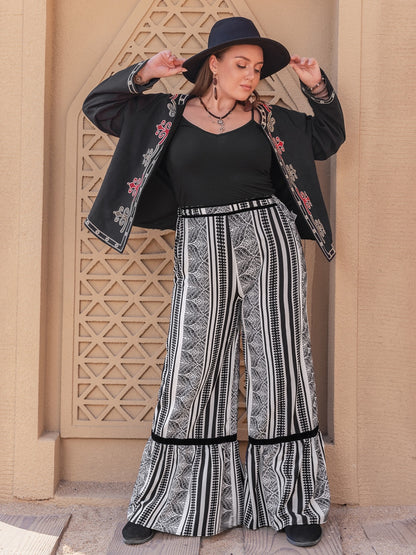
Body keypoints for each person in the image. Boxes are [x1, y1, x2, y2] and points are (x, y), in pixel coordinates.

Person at [83, 16, 345, 549]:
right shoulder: (166, 114)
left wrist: (316, 84)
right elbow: (100, 107)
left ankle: (291, 501)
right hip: (200, 243)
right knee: (192, 363)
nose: (251, 76)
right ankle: (169, 500)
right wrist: (146, 72)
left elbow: (326, 138)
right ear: (214, 65)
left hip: (268, 240)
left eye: (258, 68)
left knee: (281, 362)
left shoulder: (270, 118)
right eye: (241, 65)